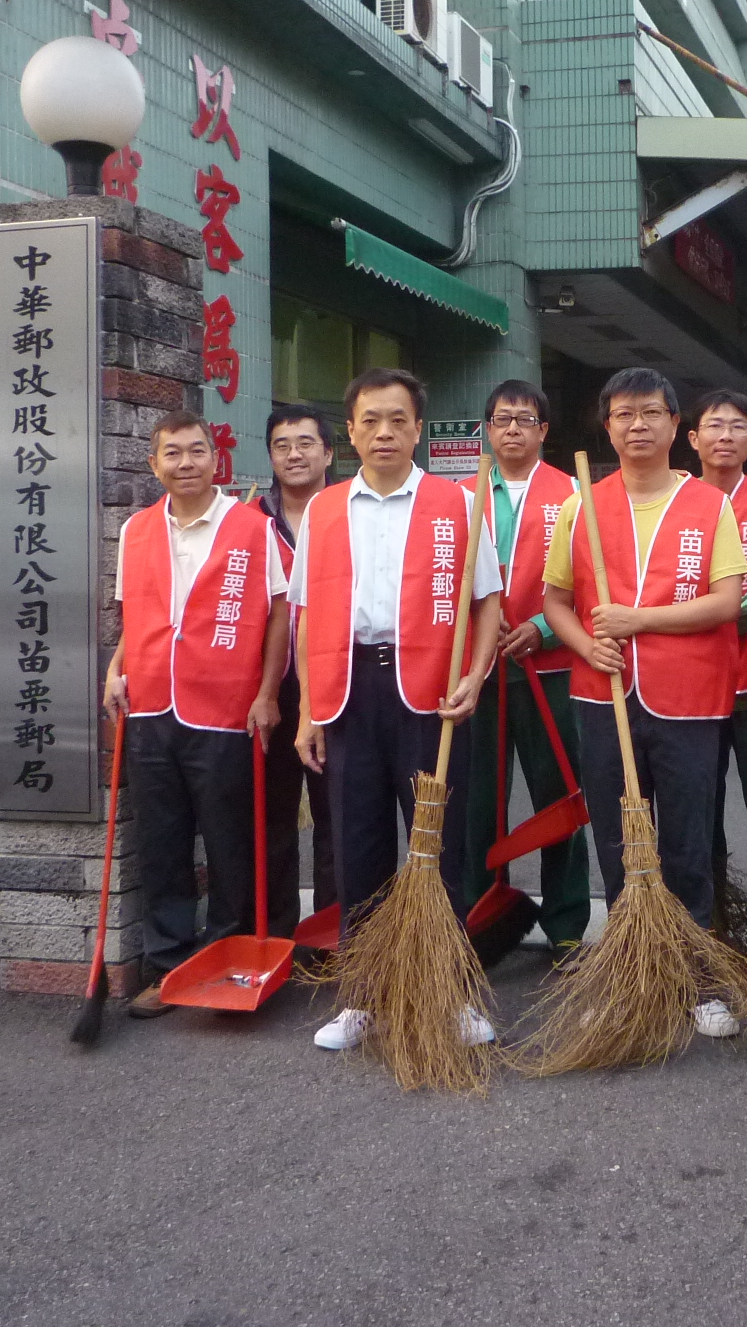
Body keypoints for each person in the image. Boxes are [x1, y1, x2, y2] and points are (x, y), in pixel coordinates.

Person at [290, 367, 503, 1052]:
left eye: (398, 420)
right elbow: (303, 614)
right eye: (370, 421)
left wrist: (475, 674)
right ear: (348, 432)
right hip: (349, 691)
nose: (384, 432)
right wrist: (307, 711)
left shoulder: (457, 503)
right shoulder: (324, 509)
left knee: (439, 845)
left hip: (432, 694)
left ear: (419, 429)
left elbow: (487, 600)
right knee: (357, 845)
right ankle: (363, 997)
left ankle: (451, 994)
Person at [540, 368, 747, 1037]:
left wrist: (638, 621)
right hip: (602, 695)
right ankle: (628, 970)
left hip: (689, 695)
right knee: (619, 837)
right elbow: (556, 600)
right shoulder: (582, 504)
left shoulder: (708, 505)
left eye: (651, 413)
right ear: (607, 426)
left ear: (673, 425)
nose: (637, 425)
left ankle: (697, 978)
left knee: (688, 841)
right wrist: (585, 644)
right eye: (624, 414)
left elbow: (724, 601)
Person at [103, 410, 295, 1019]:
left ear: (217, 459)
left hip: (226, 708)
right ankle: (167, 965)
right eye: (172, 454)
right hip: (151, 705)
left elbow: (279, 614)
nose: (185, 464)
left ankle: (229, 958)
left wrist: (268, 693)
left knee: (229, 842)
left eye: (195, 452)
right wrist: (115, 669)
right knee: (162, 842)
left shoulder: (250, 527)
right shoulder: (135, 531)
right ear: (154, 463)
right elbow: (136, 614)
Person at [459, 380, 591, 966]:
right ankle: (481, 915)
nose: (513, 428)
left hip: (553, 664)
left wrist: (541, 624)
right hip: (479, 672)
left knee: (557, 793)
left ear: (544, 431)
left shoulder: (574, 494)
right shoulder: (458, 496)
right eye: (502, 418)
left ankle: (565, 924)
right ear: (487, 429)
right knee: (477, 798)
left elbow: (591, 582)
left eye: (525, 419)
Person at [687, 388, 747, 941]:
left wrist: (722, 611)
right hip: (691, 688)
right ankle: (712, 926)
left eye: (738, 427)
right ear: (694, 438)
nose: (725, 436)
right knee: (696, 820)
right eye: (714, 426)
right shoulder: (675, 501)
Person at [254, 403, 336, 940]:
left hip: (335, 681)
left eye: (305, 443)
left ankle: (335, 932)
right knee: (272, 812)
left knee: (337, 812)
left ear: (329, 452)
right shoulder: (249, 519)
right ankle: (278, 932)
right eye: (282, 445)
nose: (294, 454)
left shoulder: (351, 511)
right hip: (271, 683)